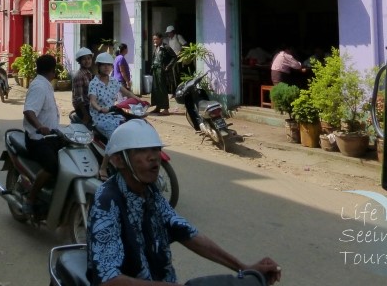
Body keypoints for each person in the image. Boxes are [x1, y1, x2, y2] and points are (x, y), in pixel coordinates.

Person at [87, 120, 282, 285]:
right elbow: (109, 279)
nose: (153, 158)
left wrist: (243, 267)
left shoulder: (150, 192)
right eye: (141, 150)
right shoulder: (107, 201)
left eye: (156, 149)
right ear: (119, 160)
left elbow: (185, 231)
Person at [22, 54, 62, 216]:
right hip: (38, 139)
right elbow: (29, 111)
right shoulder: (39, 87)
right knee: (52, 166)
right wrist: (40, 127)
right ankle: (30, 199)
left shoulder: (45, 84)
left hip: (51, 136)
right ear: (53, 71)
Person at [89, 52, 138, 180]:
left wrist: (139, 100)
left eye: (109, 65)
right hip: (100, 117)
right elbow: (92, 100)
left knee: (131, 128)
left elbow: (126, 92)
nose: (106, 67)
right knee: (115, 136)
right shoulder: (94, 83)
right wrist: (99, 109)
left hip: (114, 114)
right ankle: (103, 167)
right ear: (98, 66)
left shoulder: (113, 81)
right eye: (103, 65)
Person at [150, 33, 173, 115]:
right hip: (155, 69)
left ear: (161, 39)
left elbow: (174, 57)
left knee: (162, 89)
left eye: (156, 39)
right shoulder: (156, 48)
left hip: (161, 70)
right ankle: (158, 107)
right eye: (153, 39)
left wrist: (168, 66)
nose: (154, 41)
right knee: (155, 88)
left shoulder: (166, 47)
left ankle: (166, 109)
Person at [71, 47, 94, 126]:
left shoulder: (88, 73)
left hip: (89, 106)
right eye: (84, 59)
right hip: (83, 108)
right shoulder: (79, 76)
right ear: (79, 61)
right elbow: (78, 98)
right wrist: (85, 115)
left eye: (89, 58)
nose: (87, 61)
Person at [164, 25, 188, 92]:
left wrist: (181, 52)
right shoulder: (169, 40)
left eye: (169, 32)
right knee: (172, 74)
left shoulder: (178, 37)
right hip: (173, 58)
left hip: (179, 58)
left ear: (172, 32)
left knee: (177, 73)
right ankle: (173, 90)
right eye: (167, 33)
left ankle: (179, 89)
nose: (168, 34)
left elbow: (185, 44)